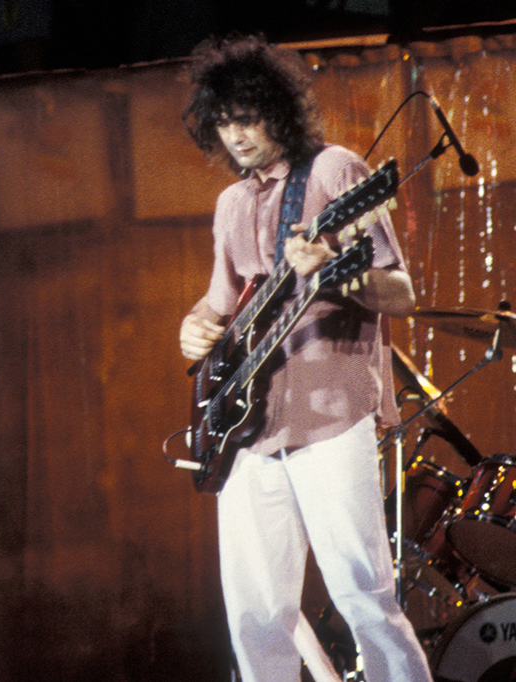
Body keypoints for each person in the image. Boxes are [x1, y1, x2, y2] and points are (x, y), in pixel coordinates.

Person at [177, 35, 431, 682]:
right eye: (224, 123)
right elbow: (217, 304)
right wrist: (194, 327)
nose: (236, 136)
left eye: (248, 118)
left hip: (330, 413)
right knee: (256, 611)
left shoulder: (332, 172)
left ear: (279, 111)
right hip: (248, 430)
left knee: (360, 593)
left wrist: (336, 277)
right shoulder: (230, 204)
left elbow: (399, 293)